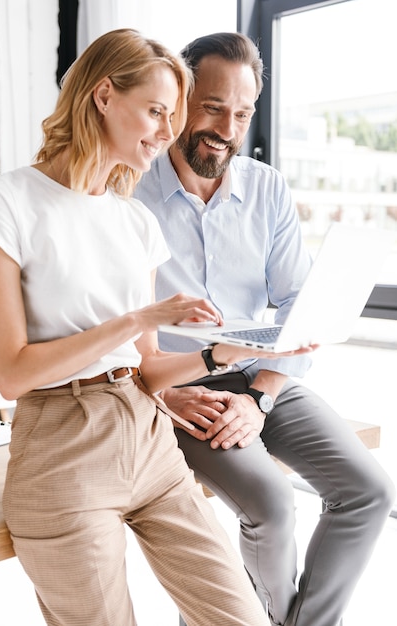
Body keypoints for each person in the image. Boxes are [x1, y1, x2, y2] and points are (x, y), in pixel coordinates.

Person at [0, 29, 316, 626]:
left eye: (174, 116)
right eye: (157, 112)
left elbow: (151, 369)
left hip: (149, 435)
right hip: (62, 448)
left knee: (240, 616)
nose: (168, 134)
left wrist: (226, 353)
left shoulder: (135, 221)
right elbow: (10, 373)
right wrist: (138, 318)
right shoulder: (5, 203)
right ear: (104, 95)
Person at [134, 32, 396, 626]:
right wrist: (164, 394)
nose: (227, 127)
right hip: (179, 391)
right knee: (273, 506)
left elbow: (298, 305)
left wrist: (260, 396)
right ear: (178, 97)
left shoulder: (266, 188)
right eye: (212, 106)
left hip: (260, 377)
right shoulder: (130, 189)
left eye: (243, 112)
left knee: (370, 494)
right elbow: (107, 322)